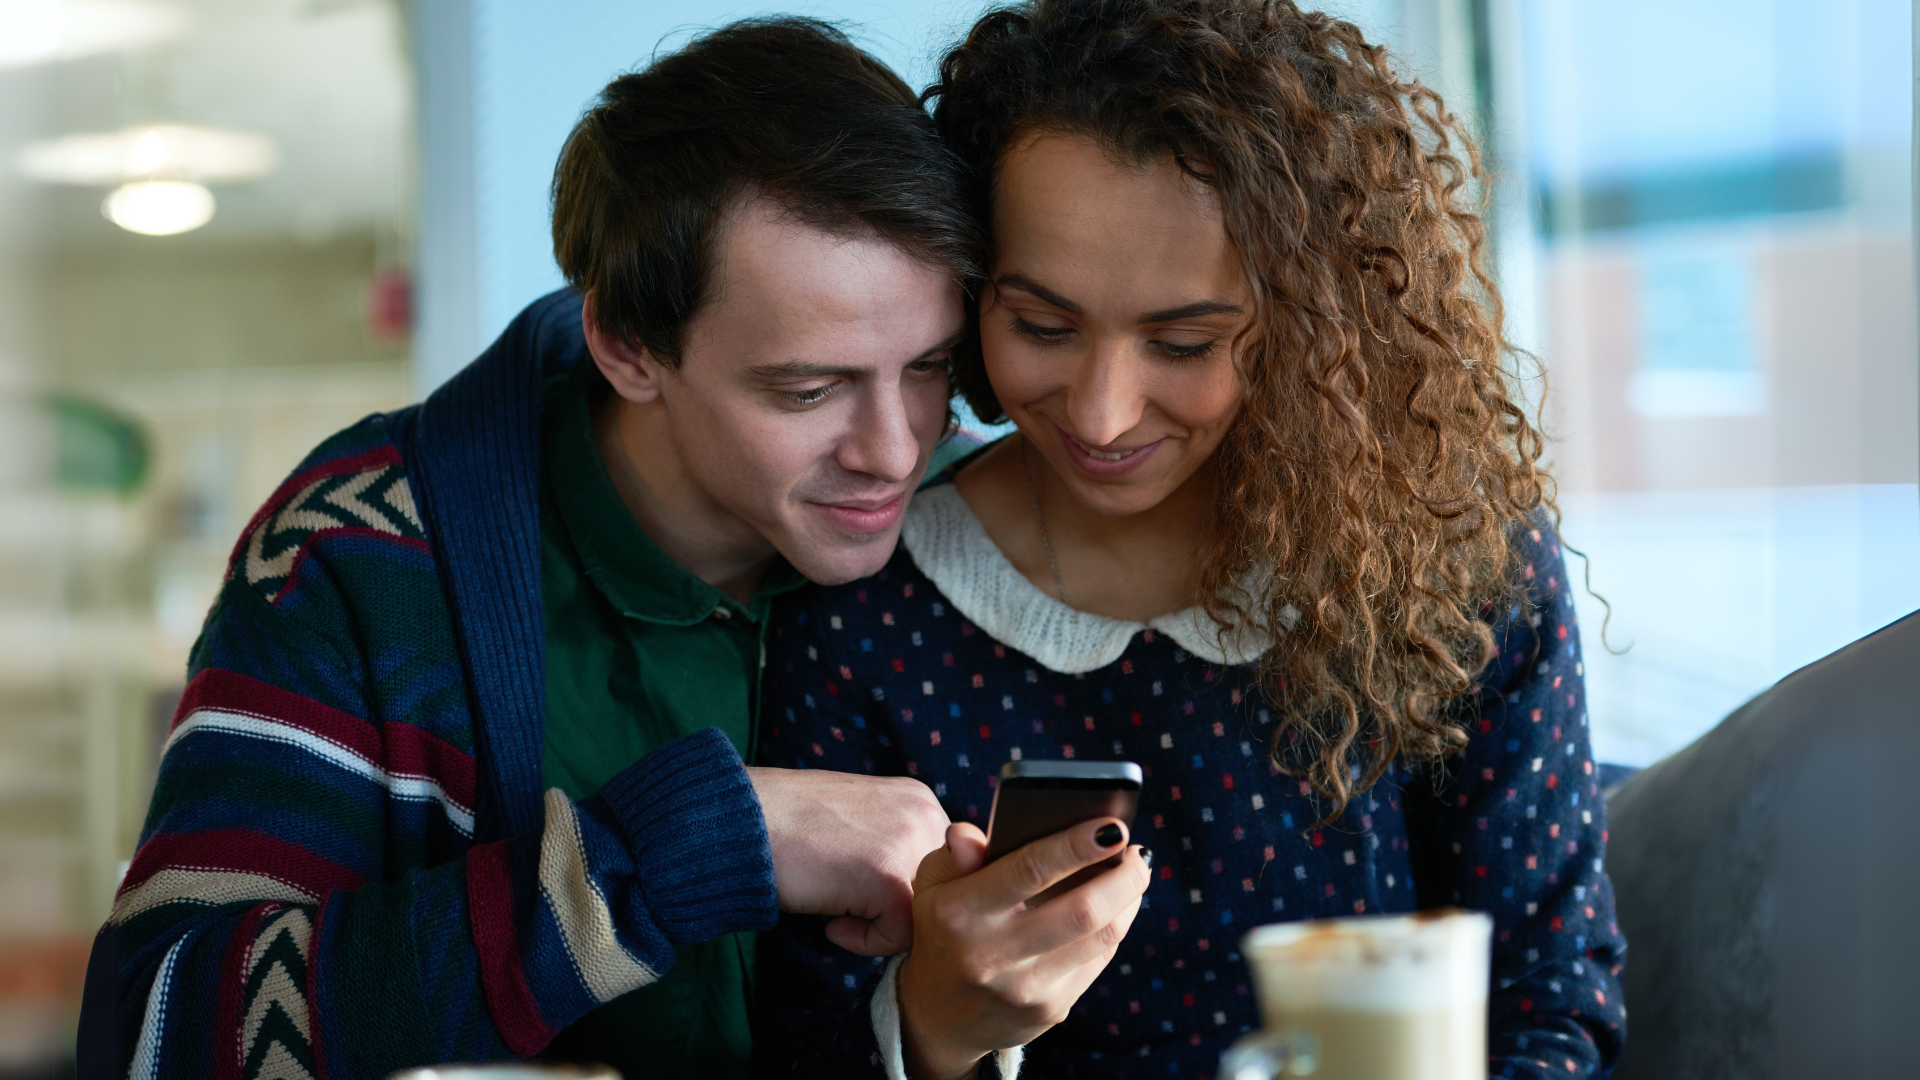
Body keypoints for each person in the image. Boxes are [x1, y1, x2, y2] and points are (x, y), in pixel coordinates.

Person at [75, 19, 975, 1080]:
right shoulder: (358, 555)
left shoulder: (974, 528)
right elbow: (154, 1036)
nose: (897, 447)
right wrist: (670, 856)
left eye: (929, 367)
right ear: (630, 345)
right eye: (807, 388)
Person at [755, 1, 1627, 1077]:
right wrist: (931, 1024)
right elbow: (791, 1049)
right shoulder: (858, 610)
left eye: (1183, 341)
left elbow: (1553, 1004)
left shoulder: (1456, 567)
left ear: (1314, 322)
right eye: (1042, 326)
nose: (1103, 413)